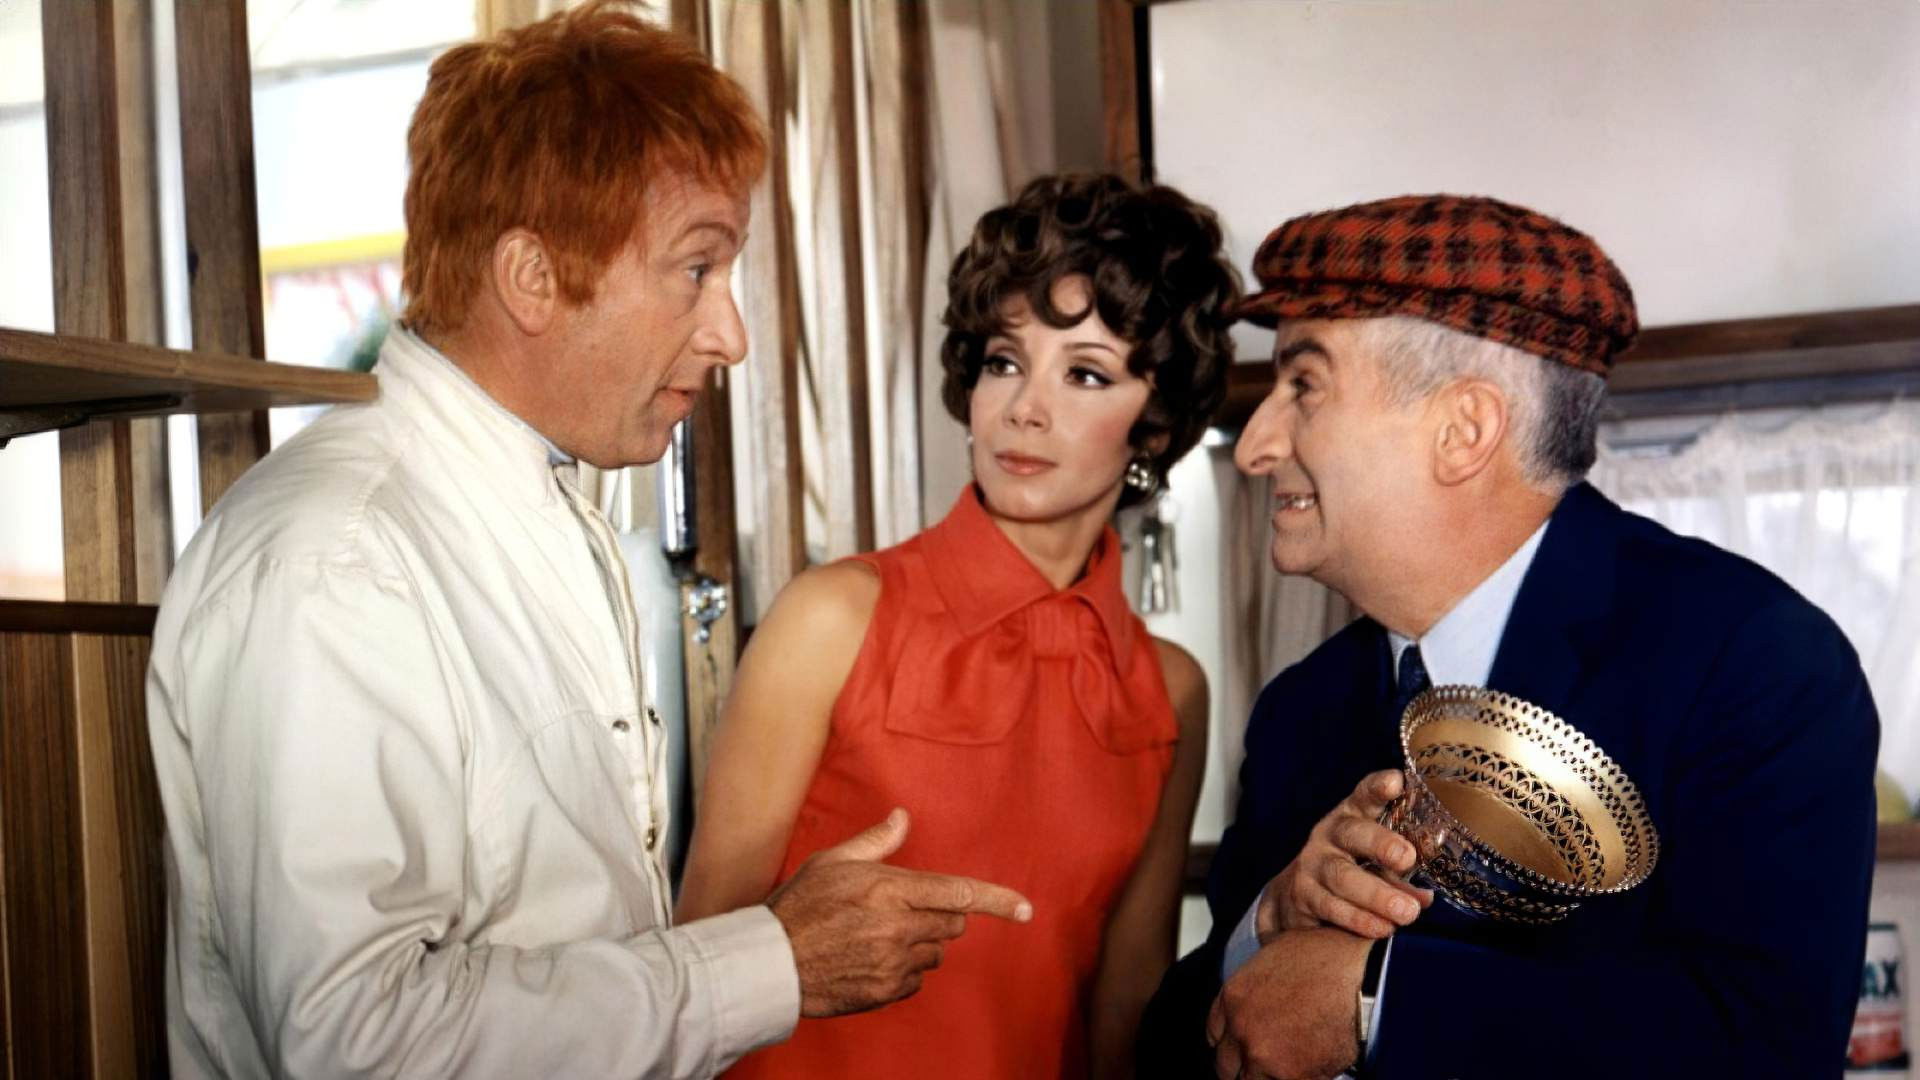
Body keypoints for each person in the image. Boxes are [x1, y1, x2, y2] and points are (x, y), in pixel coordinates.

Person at [144, 5, 1032, 1077]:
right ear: (532, 277)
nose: (732, 336)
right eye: (697, 270)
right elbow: (352, 1044)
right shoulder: (336, 562)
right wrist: (773, 962)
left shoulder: (540, 508)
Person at [1137, 193, 1879, 1079]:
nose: (1256, 445)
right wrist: (1269, 922)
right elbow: (1165, 1052)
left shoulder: (1755, 661)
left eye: (1303, 386)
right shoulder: (1302, 707)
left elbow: (1766, 1049)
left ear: (1465, 431)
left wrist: (1376, 1002)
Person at [675, 173, 1240, 1078]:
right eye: (1005, 361)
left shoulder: (1170, 690)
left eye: (1085, 373)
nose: (1024, 408)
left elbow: (1125, 1005)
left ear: (1155, 426)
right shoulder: (832, 617)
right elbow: (698, 967)